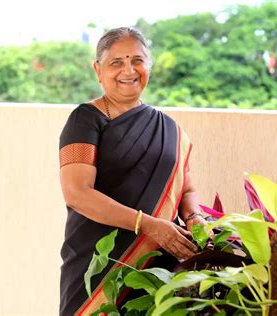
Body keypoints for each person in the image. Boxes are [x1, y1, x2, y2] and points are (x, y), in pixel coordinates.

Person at [59, 27, 207, 315]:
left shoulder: (169, 128)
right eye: (117, 62)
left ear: (148, 66)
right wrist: (149, 225)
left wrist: (195, 217)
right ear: (97, 70)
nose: (129, 70)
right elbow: (77, 193)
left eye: (137, 60)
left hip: (159, 266)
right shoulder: (85, 121)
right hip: (98, 266)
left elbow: (186, 187)